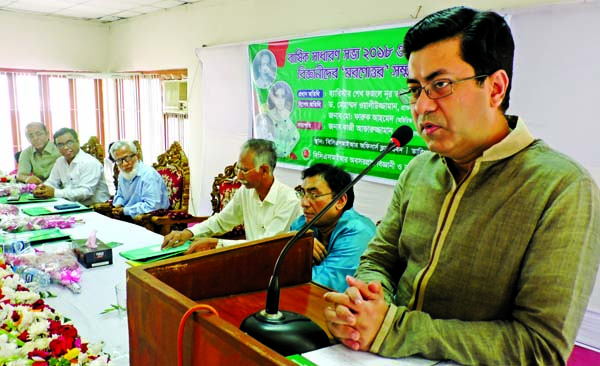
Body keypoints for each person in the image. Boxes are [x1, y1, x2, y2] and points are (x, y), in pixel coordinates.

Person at [323, 6, 600, 365]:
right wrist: (364, 302)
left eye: (440, 86)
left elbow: (540, 347)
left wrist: (396, 329)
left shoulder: (562, 187)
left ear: (495, 88)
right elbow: (380, 258)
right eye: (414, 89)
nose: (422, 106)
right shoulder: (419, 169)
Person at [162, 139, 302, 254]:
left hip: (277, 267)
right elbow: (221, 221)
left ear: (264, 170)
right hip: (250, 259)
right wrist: (188, 232)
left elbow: (266, 245)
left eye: (245, 170)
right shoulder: (245, 192)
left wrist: (216, 243)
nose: (239, 176)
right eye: (238, 169)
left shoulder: (289, 201)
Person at [290, 163, 375, 293]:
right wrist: (293, 245)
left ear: (340, 201)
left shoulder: (359, 232)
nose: (304, 203)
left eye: (314, 195)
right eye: (303, 193)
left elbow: (324, 284)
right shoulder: (302, 224)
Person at [33, 128, 110, 206]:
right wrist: (42, 188)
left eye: (69, 143)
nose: (65, 147)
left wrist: (55, 193)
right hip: (71, 205)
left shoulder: (90, 162)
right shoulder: (60, 161)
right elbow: (52, 181)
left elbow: (86, 192)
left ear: (78, 142)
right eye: (60, 145)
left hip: (95, 208)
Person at [109, 140, 170, 218]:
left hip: (152, 220)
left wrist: (125, 211)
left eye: (127, 158)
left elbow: (152, 206)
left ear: (137, 156)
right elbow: (120, 195)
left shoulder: (149, 175)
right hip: (130, 217)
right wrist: (118, 205)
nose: (124, 164)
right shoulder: (122, 174)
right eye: (119, 160)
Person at [267, 81, 299, 158]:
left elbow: (296, 136)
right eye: (277, 96)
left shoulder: (287, 119)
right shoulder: (269, 115)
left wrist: (284, 151)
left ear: (286, 98)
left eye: (283, 96)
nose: (279, 100)